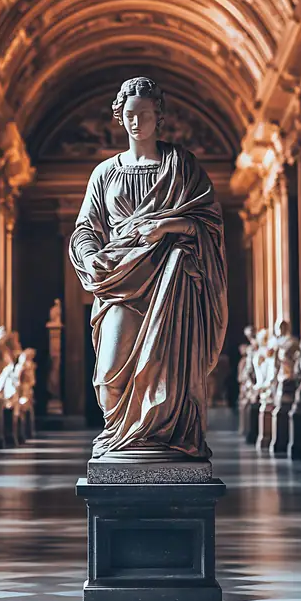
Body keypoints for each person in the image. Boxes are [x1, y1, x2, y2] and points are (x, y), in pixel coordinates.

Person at [69, 76, 227, 459]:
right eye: (129, 114)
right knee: (108, 374)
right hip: (119, 281)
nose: (136, 121)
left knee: (167, 375)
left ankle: (163, 442)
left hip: (171, 281)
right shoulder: (105, 173)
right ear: (119, 118)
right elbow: (85, 229)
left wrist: (166, 226)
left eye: (144, 113)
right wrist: (91, 256)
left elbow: (208, 225)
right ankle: (121, 440)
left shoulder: (182, 167)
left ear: (159, 117)